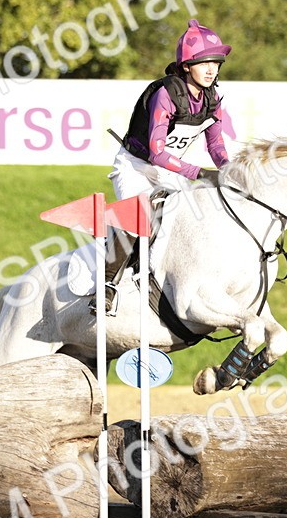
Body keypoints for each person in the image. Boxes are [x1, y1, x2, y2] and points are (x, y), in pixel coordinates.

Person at [98, 18, 235, 314]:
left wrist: (227, 168)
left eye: (216, 63)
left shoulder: (213, 98)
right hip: (135, 166)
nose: (212, 70)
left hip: (169, 171)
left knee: (193, 216)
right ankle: (105, 285)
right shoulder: (166, 94)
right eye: (204, 63)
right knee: (136, 217)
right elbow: (158, 154)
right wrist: (201, 173)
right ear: (186, 65)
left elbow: (215, 144)